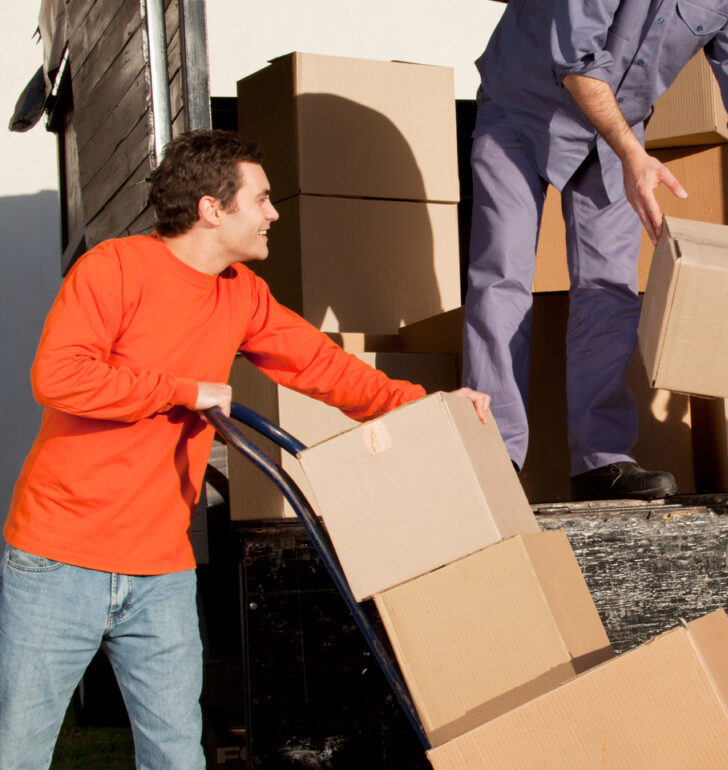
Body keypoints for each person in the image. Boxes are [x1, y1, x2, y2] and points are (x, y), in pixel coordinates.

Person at [0, 129, 490, 769]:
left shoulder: (241, 292)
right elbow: (59, 377)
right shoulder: (115, 268)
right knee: (21, 751)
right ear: (211, 208)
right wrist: (182, 390)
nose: (273, 213)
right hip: (60, 558)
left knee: (177, 754)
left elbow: (323, 366)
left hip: (162, 567)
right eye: (260, 199)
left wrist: (429, 402)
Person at [465, 0, 728, 501]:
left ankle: (600, 461)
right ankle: (491, 454)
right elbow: (576, 59)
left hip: (616, 124)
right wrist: (633, 155)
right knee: (502, 276)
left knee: (611, 287)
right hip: (523, 100)